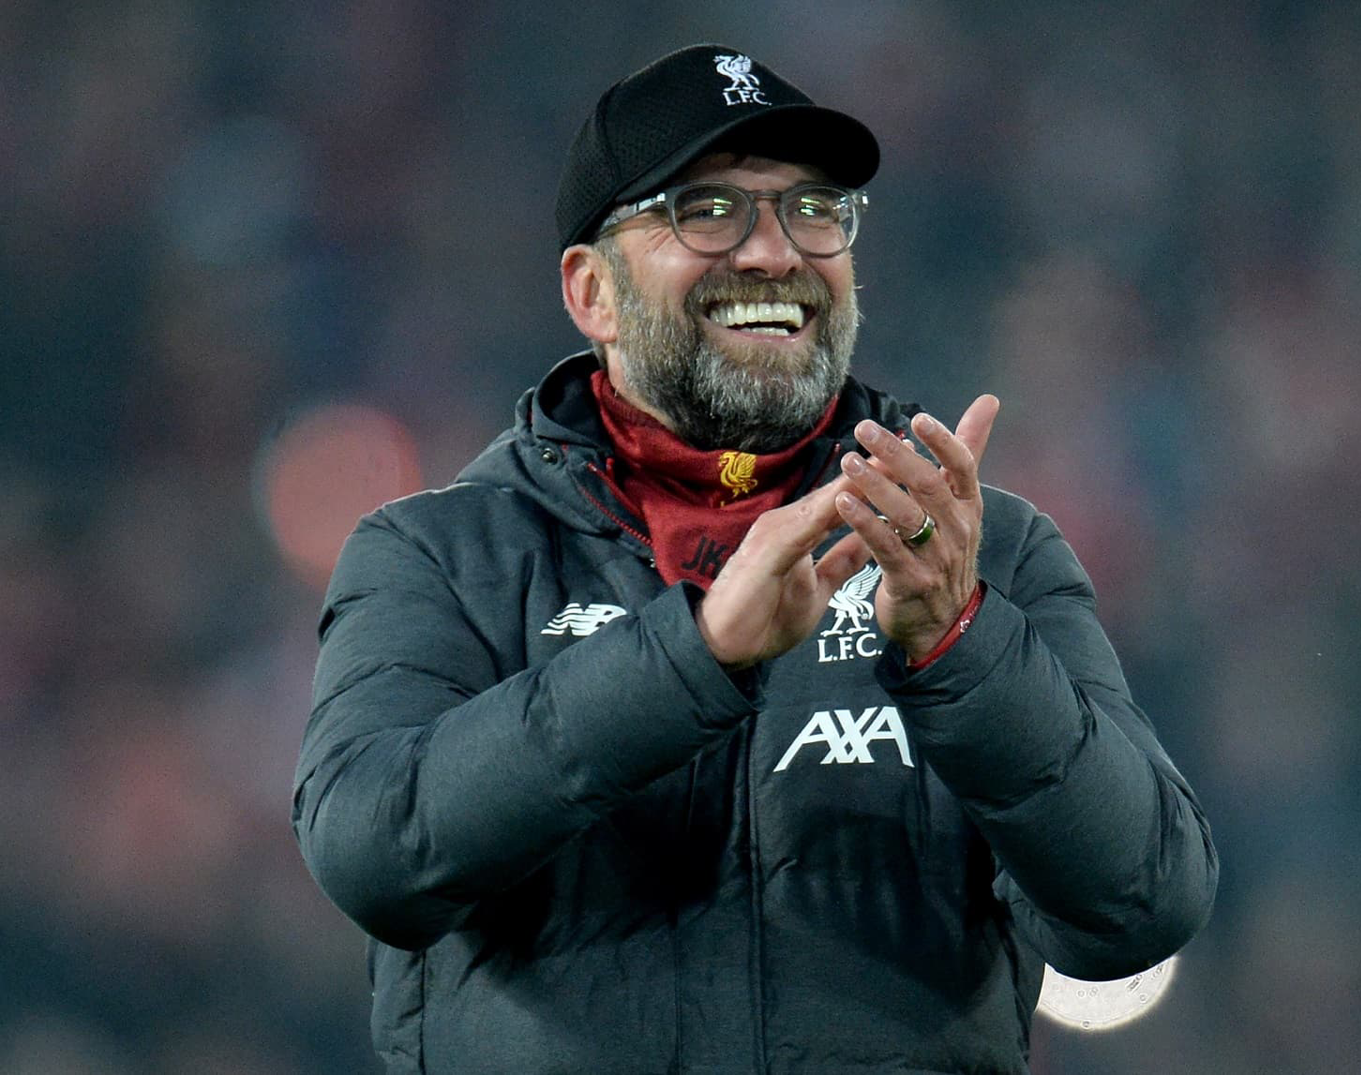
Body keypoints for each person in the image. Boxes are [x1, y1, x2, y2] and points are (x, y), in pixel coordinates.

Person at [293, 43, 1218, 1075]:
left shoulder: (975, 550)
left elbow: (1140, 907)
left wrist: (963, 649)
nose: (776, 252)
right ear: (592, 292)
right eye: (709, 210)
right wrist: (693, 656)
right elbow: (373, 853)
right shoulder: (440, 557)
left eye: (813, 210)